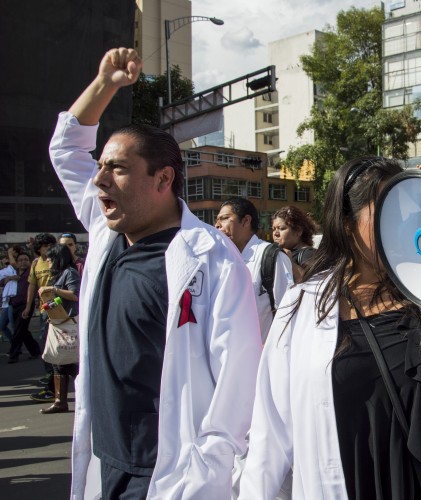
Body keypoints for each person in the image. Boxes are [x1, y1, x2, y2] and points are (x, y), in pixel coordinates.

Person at [49, 47, 261, 499]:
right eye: (101, 166)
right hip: (105, 463)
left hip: (168, 476)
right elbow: (66, 146)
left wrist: (208, 475)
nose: (100, 179)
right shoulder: (106, 231)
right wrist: (105, 83)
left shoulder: (212, 258)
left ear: (163, 180)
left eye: (117, 168)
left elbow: (237, 384)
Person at [239, 157, 421, 499]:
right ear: (346, 223)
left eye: (410, 209)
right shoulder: (300, 308)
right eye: (390, 209)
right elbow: (270, 434)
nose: (406, 223)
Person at [216, 197, 293, 340]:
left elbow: (287, 312)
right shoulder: (222, 260)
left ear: (246, 221)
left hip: (264, 355)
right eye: (217, 220)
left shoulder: (271, 257)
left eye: (225, 218)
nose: (217, 225)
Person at [37, 243, 81, 414]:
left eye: (50, 260)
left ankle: (68, 400)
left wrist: (54, 289)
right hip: (60, 322)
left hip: (70, 322)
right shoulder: (59, 274)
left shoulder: (69, 272)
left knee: (71, 362)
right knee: (59, 362)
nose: (48, 263)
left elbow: (75, 295)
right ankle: (60, 401)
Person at [23, 233, 57, 402]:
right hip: (43, 310)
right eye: (45, 246)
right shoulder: (36, 263)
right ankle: (52, 380)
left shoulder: (58, 260)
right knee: (46, 347)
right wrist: (28, 307)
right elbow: (32, 285)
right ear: (38, 248)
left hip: (57, 310)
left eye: (51, 245)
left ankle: (53, 385)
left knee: (55, 348)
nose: (48, 248)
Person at [7, 247, 40, 363]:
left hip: (26, 305)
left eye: (26, 259)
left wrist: (32, 247)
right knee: (23, 330)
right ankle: (35, 350)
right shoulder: (13, 272)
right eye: (20, 260)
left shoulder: (31, 271)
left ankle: (14, 354)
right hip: (13, 305)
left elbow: (37, 260)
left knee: (18, 330)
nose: (23, 262)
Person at [271, 205, 317, 280]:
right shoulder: (278, 252)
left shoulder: (309, 254)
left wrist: (289, 262)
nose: (275, 233)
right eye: (273, 229)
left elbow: (311, 281)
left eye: (281, 229)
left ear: (298, 231)